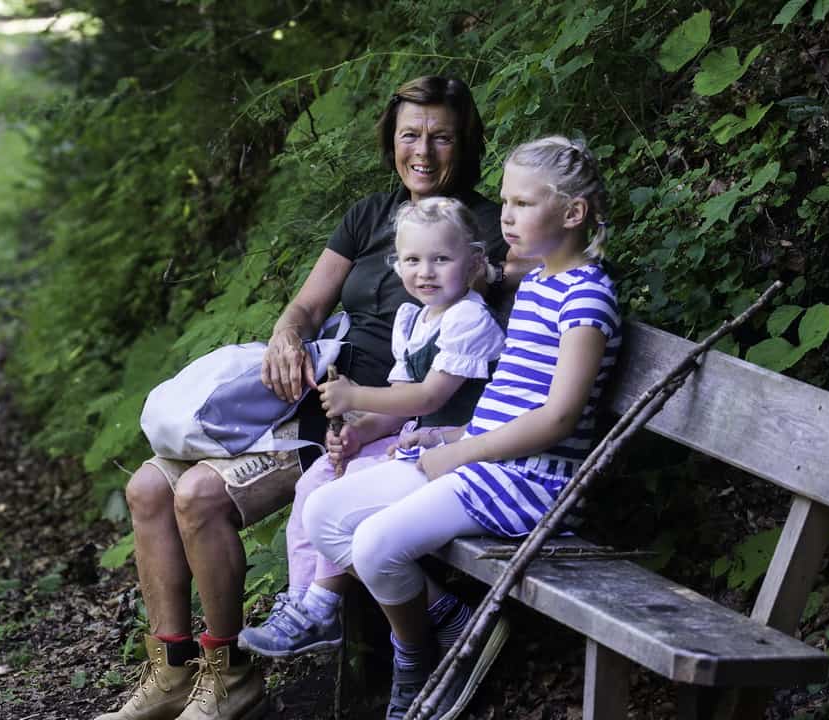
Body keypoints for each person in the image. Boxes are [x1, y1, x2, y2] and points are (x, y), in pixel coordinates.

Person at [95, 76, 522, 720]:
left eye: (442, 136)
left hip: (374, 422)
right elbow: (307, 304)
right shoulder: (368, 215)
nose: (425, 152)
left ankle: (229, 675)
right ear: (391, 141)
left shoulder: (480, 228)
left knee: (198, 495)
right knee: (147, 488)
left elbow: (530, 278)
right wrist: (286, 336)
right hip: (311, 400)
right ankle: (172, 671)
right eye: (411, 134)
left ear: (467, 143)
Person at [303, 135, 621, 720]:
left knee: (374, 544)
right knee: (323, 514)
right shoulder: (540, 285)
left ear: (572, 214)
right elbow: (513, 400)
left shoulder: (586, 298)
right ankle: (451, 621)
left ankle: (417, 657)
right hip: (484, 459)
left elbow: (558, 418)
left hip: (532, 481)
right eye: (505, 201)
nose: (505, 215)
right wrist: (449, 438)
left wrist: (462, 450)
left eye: (523, 203)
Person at [237, 196, 506, 660]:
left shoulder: (468, 318)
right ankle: (305, 604)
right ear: (396, 265)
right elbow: (401, 404)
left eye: (441, 259)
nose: (426, 271)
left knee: (345, 499)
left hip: (461, 450)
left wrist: (355, 397)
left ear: (474, 262)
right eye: (413, 260)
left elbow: (428, 398)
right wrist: (360, 431)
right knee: (316, 481)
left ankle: (325, 604)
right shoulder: (415, 319)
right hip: (419, 445)